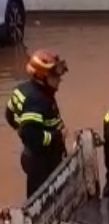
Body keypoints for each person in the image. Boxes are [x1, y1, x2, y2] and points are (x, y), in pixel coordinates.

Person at [4, 49, 68, 198]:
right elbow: (33, 137)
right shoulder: (37, 100)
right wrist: (57, 136)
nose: (59, 79)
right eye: (55, 76)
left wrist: (21, 128)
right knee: (42, 201)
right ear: (41, 77)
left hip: (33, 157)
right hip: (41, 163)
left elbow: (9, 115)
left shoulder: (23, 89)